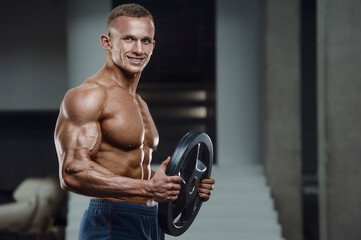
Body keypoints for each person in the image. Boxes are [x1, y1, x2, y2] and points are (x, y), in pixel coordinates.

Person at [54, 3, 215, 240]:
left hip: (151, 219)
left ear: (153, 45)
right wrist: (146, 188)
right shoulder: (88, 96)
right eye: (128, 39)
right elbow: (72, 172)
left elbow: (130, 169)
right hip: (112, 218)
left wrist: (179, 186)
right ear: (107, 42)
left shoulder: (140, 103)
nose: (138, 49)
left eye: (145, 40)